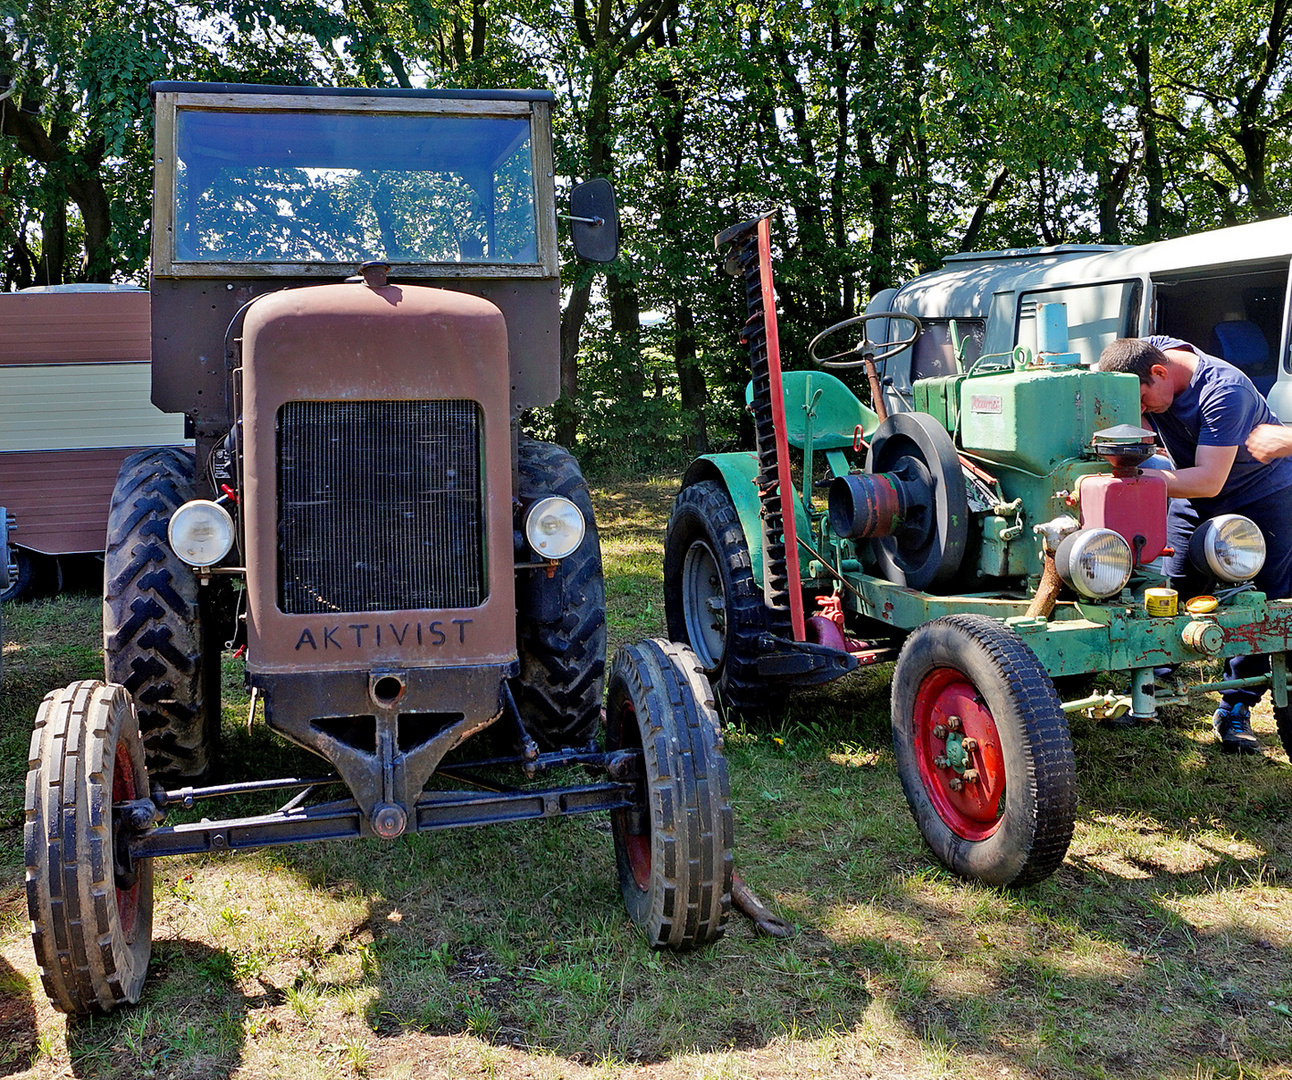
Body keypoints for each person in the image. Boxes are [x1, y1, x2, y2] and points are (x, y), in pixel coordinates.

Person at [1097, 334, 1292, 753]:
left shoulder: (1226, 391)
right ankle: (1150, 687)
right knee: (1172, 591)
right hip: (1190, 496)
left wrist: (1133, 479)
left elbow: (1208, 480)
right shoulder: (1149, 351)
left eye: (1144, 400)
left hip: (1261, 497)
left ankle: (1236, 708)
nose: (1142, 411)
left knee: (1263, 603)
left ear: (1160, 373)